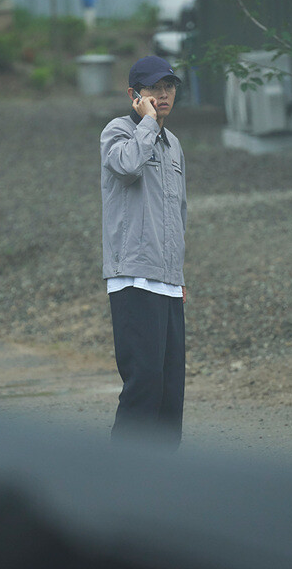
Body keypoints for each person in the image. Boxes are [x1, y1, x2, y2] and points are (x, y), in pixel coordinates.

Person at [100, 56, 187, 448]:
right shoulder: (117, 132)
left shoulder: (173, 145)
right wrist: (148, 122)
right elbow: (128, 167)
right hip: (134, 279)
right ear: (135, 95)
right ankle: (121, 475)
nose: (163, 94)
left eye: (169, 86)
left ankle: (164, 477)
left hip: (167, 282)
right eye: (154, 88)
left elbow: (179, 212)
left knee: (170, 392)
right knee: (144, 384)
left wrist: (179, 277)